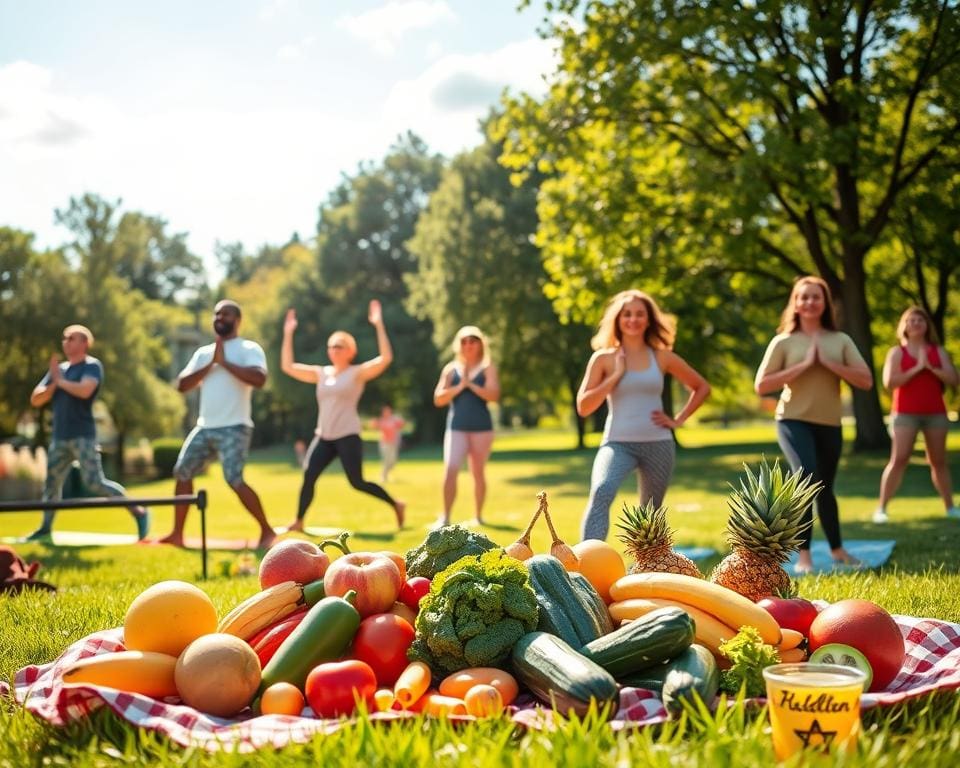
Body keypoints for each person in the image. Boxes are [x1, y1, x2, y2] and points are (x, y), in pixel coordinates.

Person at [754, 276, 874, 574]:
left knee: (826, 487)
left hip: (829, 423)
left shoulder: (840, 340)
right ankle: (804, 555)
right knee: (806, 478)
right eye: (803, 297)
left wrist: (829, 363)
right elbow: (761, 385)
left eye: (815, 297)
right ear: (795, 302)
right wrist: (803, 365)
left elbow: (866, 380)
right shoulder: (783, 341)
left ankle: (837, 550)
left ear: (825, 303)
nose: (809, 302)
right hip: (792, 420)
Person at [577, 290, 711, 541]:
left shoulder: (661, 356)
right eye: (627, 314)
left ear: (649, 320)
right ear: (617, 320)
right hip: (617, 443)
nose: (633, 319)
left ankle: (642, 571)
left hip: (658, 444)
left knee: (650, 513)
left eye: (640, 314)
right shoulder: (604, 359)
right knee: (601, 491)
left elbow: (702, 387)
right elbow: (584, 407)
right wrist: (616, 375)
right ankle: (586, 566)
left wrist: (678, 420)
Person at [158, 300, 275, 549]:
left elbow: (260, 379)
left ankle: (267, 531)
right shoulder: (203, 353)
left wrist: (225, 363)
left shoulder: (248, 348)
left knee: (234, 479)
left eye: (227, 313)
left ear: (238, 320)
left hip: (236, 425)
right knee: (182, 471)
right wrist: (212, 363)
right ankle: (177, 534)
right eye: (217, 313)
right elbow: (181, 385)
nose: (220, 317)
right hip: (205, 426)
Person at [281, 300, 405, 531]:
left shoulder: (356, 373)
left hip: (347, 435)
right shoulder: (320, 373)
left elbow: (386, 358)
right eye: (331, 346)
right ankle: (298, 521)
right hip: (324, 436)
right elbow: (288, 366)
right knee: (309, 475)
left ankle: (396, 504)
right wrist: (288, 333)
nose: (334, 350)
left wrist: (378, 325)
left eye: (339, 346)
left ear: (351, 351)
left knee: (357, 482)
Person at [26, 325, 149, 541]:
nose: (66, 342)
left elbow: (85, 391)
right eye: (64, 338)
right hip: (59, 437)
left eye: (71, 338)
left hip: (83, 436)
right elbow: (36, 399)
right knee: (51, 484)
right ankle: (45, 528)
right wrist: (54, 383)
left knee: (95, 483)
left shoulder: (92, 366)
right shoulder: (59, 370)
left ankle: (139, 512)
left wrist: (59, 381)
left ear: (84, 343)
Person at [874, 306, 959, 522]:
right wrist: (917, 368)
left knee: (938, 461)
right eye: (911, 320)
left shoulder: (937, 351)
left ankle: (950, 507)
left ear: (926, 326)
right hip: (904, 414)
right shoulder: (896, 352)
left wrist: (930, 367)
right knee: (899, 458)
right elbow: (889, 383)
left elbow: (953, 379)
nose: (915, 323)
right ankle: (881, 509)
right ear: (904, 326)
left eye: (920, 320)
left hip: (935, 413)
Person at [434, 325, 500, 527]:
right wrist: (459, 387)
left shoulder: (488, 368)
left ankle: (478, 516)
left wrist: (471, 385)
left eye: (472, 340)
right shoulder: (451, 369)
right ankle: (445, 517)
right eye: (463, 341)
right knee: (451, 469)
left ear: (480, 344)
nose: (468, 345)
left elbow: (494, 395)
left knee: (477, 472)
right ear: (458, 345)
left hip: (482, 429)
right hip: (457, 428)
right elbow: (438, 399)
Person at [371, 404, 405, 483]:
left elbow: (401, 424)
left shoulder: (394, 419)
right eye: (385, 411)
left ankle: (386, 474)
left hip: (394, 443)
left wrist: (400, 421)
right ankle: (383, 476)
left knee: (393, 461)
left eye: (388, 411)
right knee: (386, 460)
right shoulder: (382, 420)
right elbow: (374, 425)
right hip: (384, 443)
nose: (386, 412)